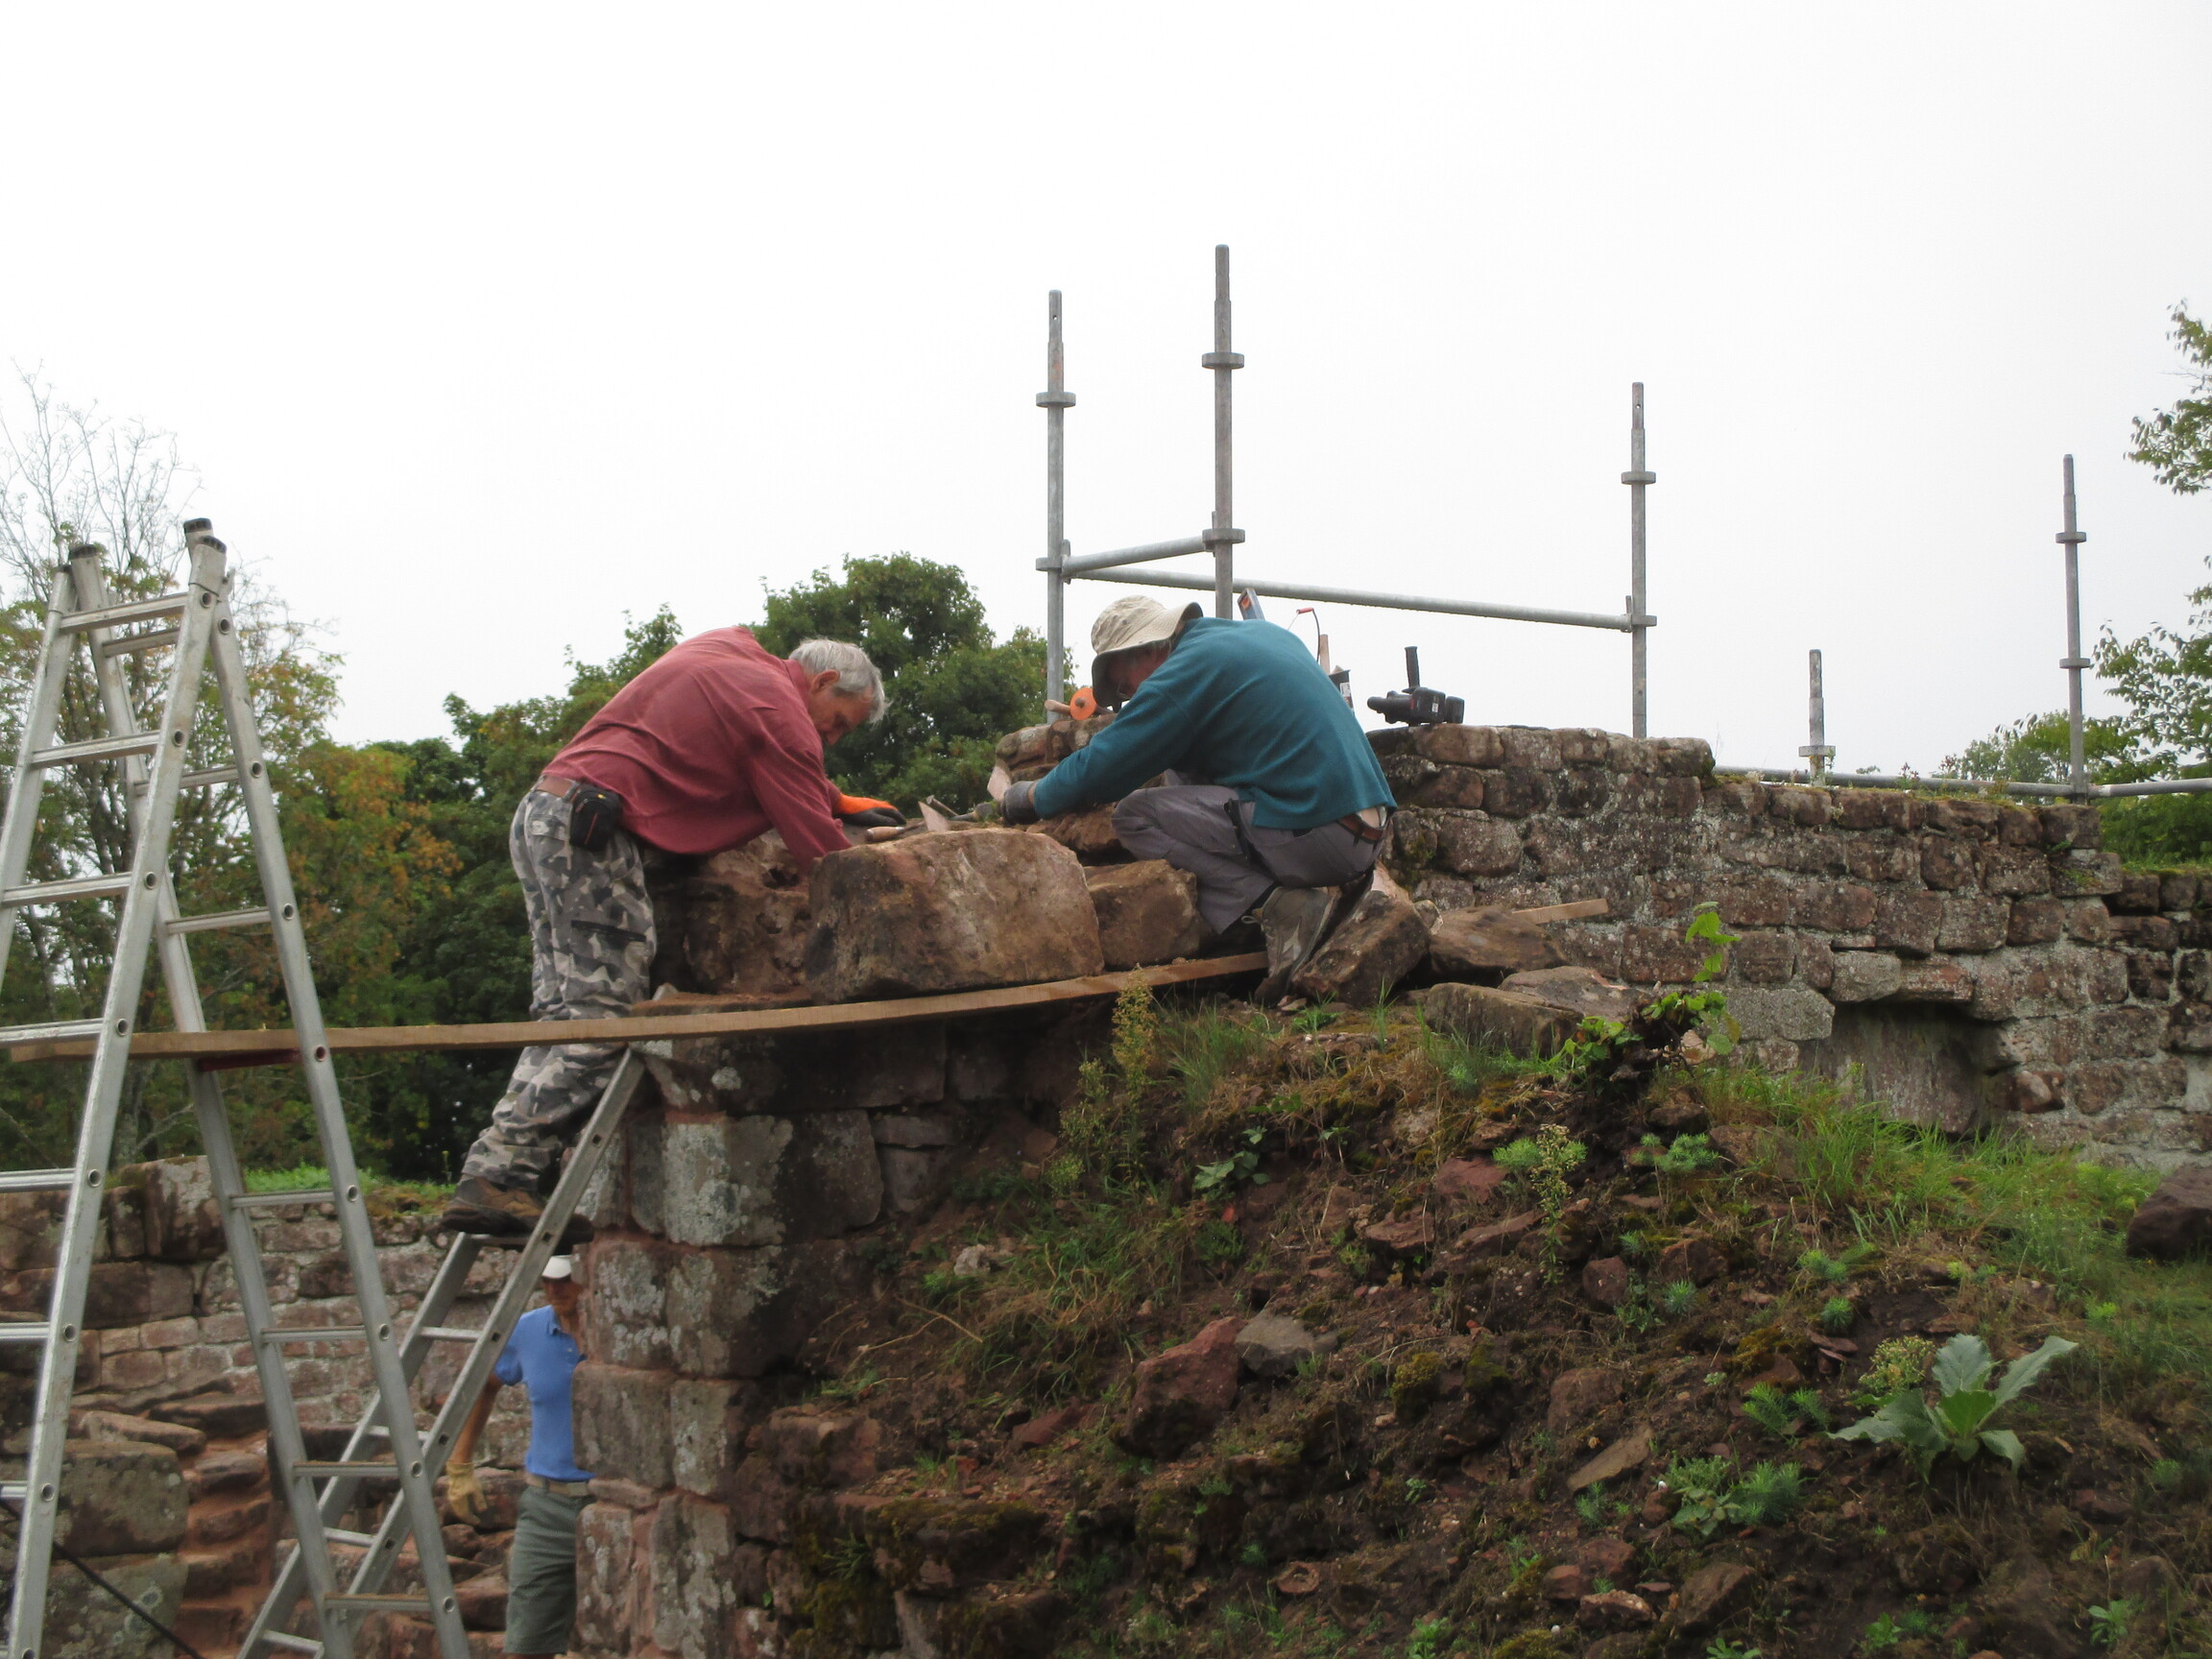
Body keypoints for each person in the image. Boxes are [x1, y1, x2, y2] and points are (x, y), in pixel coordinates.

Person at [441, 630, 886, 1238]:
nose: (829, 740)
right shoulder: (778, 711)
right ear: (823, 681)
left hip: (548, 814)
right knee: (604, 1018)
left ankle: (499, 1174)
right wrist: (875, 897)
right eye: (836, 724)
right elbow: (818, 847)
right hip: (590, 833)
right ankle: (498, 1174)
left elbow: (738, 742)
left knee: (561, 1013)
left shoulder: (730, 649)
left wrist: (833, 795)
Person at [998, 595, 1395, 998]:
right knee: (1180, 768)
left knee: (1134, 816)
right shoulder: (1257, 637)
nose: (1130, 697)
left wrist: (1031, 796)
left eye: (1123, 686)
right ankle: (1277, 906)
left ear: (1147, 649)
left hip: (1322, 838)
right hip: (1364, 830)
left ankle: (1279, 907)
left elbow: (1101, 767)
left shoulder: (1185, 672)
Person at [446, 1255, 589, 1659]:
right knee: (525, 1646)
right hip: (547, 1505)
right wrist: (460, 1464)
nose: (554, 1289)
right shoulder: (528, 1330)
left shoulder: (619, 1331)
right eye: (545, 1280)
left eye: (564, 1279)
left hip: (610, 1500)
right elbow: (483, 1383)